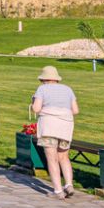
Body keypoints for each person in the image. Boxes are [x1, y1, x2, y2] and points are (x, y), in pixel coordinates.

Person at [32, 65, 79, 198]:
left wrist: (33, 101)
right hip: (65, 126)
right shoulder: (68, 89)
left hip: (49, 126)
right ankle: (69, 184)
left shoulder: (42, 89)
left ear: (44, 79)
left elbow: (36, 109)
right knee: (64, 157)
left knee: (52, 158)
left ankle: (58, 191)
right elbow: (75, 110)